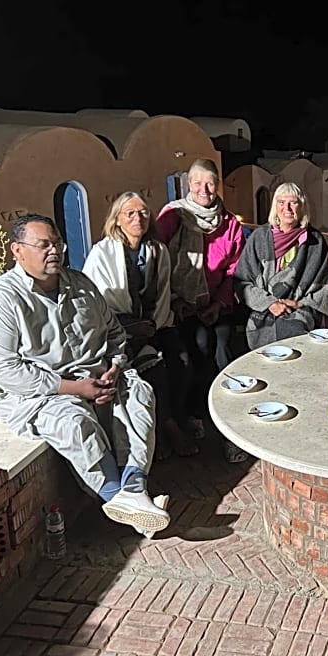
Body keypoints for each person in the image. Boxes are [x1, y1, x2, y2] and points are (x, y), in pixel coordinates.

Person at [0, 214, 171, 536]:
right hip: (41, 393)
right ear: (17, 251)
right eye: (43, 245)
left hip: (99, 378)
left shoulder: (81, 285)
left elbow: (115, 335)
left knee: (139, 396)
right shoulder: (1, 300)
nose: (54, 251)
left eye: (57, 244)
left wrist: (115, 368)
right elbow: (5, 370)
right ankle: (120, 497)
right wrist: (74, 388)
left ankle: (134, 491)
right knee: (74, 423)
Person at [83, 192, 198, 459]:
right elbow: (95, 305)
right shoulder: (102, 253)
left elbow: (164, 293)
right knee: (153, 370)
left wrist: (154, 325)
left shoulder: (158, 251)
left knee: (182, 363)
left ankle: (173, 422)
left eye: (143, 212)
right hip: (116, 330)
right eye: (130, 213)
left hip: (156, 323)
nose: (138, 218)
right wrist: (132, 328)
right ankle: (167, 430)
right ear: (118, 220)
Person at [155, 158, 246, 461]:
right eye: (197, 183)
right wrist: (177, 301)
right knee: (197, 347)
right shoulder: (174, 216)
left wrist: (219, 303)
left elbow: (234, 270)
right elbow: (159, 262)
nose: (204, 189)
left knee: (222, 347)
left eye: (210, 182)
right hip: (178, 304)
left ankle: (227, 414)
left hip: (216, 304)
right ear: (188, 185)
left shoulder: (230, 222)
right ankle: (193, 414)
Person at [235, 182, 328, 348]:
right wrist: (270, 303)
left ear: (302, 207)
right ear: (275, 206)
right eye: (281, 202)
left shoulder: (314, 241)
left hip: (300, 308)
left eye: (293, 202)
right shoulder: (259, 237)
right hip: (263, 308)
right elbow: (242, 282)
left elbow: (327, 286)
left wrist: (300, 304)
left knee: (293, 328)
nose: (287, 208)